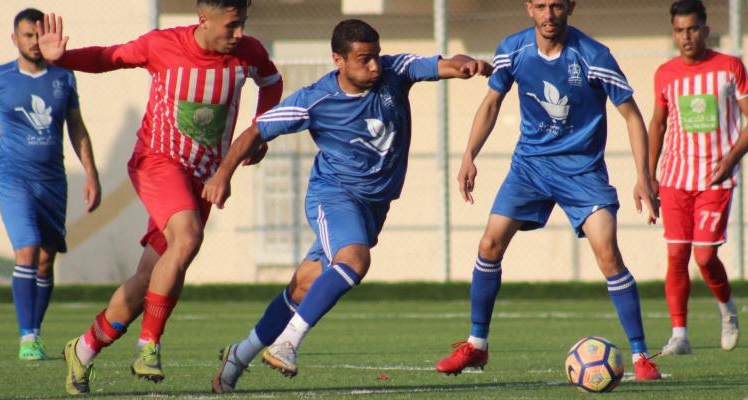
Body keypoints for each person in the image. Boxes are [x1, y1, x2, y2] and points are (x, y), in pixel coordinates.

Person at [202, 19, 491, 393]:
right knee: (354, 261)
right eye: (363, 59)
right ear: (338, 59)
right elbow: (257, 129)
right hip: (334, 196)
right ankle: (288, 342)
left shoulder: (395, 71)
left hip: (373, 207)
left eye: (376, 57)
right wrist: (222, 175)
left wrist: (465, 65)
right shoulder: (315, 100)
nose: (374, 66)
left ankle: (238, 357)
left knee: (304, 287)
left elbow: (442, 64)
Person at [36, 0, 282, 395]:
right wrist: (63, 58)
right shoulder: (162, 45)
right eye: (232, 25)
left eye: (243, 24)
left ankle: (82, 349)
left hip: (202, 176)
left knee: (151, 278)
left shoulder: (248, 52)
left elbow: (271, 82)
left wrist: (260, 130)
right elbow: (107, 58)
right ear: (204, 19)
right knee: (188, 237)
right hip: (158, 161)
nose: (239, 34)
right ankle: (148, 345)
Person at [434, 0, 663, 381]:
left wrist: (643, 176)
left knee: (608, 255)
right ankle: (476, 345)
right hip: (531, 167)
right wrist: (469, 155)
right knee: (489, 244)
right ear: (529, 8)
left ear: (570, 6)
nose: (549, 14)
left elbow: (631, 114)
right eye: (540, 5)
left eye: (556, 5)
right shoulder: (513, 49)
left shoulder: (594, 55)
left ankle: (641, 356)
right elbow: (491, 103)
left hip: (582, 171)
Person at [0, 8, 101, 362]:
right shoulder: (2, 78)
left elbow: (77, 127)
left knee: (45, 260)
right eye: (28, 35)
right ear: (15, 39)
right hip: (13, 178)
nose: (34, 42)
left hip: (53, 181)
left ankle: (35, 332)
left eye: (39, 35)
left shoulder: (64, 77)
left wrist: (91, 173)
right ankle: (27, 337)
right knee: (27, 250)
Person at [649, 0, 746, 356]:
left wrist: (731, 159)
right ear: (673, 33)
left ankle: (727, 310)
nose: (686, 37)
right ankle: (680, 335)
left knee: (704, 257)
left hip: (714, 179)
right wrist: (648, 176)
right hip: (675, 178)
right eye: (679, 30)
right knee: (677, 254)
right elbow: (657, 124)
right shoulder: (665, 73)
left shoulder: (730, 67)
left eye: (692, 29)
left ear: (705, 29)